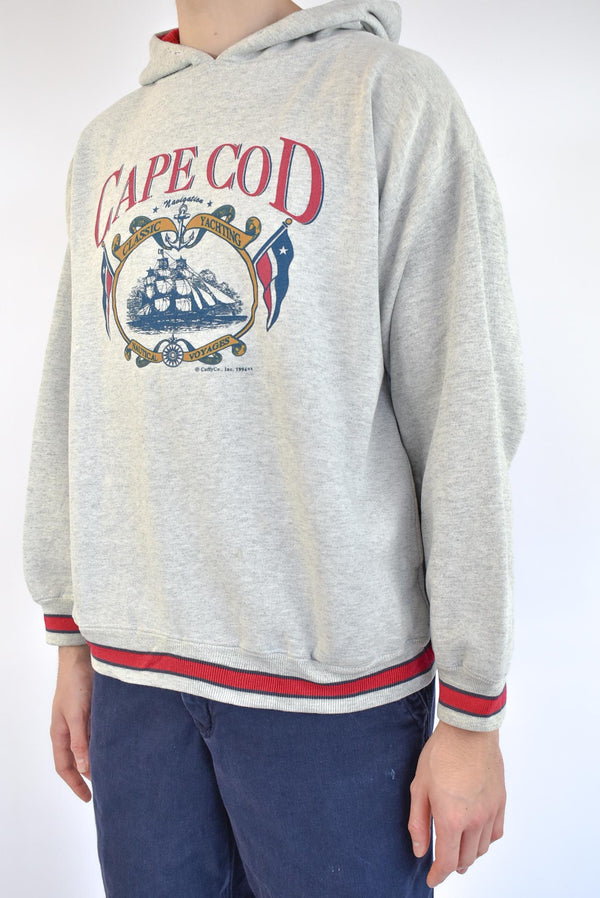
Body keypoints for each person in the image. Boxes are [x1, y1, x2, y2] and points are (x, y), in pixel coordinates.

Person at [22, 0, 527, 895]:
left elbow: (465, 407)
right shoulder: (108, 141)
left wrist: (472, 711)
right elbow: (72, 394)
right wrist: (69, 638)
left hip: (332, 698)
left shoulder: (386, 95)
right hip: (135, 683)